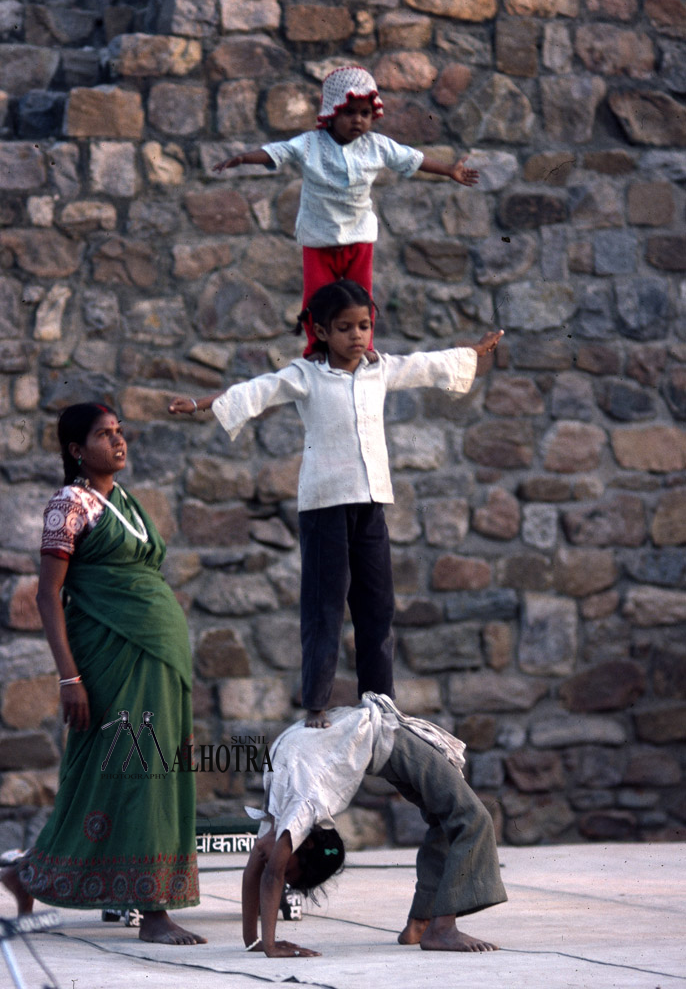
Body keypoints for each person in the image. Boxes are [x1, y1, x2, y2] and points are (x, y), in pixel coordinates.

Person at [169, 281, 503, 728]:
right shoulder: (306, 376)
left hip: (371, 504)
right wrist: (201, 404)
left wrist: (475, 353)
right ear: (322, 332)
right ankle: (317, 704)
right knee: (325, 606)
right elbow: (258, 390)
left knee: (378, 606)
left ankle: (380, 701)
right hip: (326, 507)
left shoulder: (379, 369)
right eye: (344, 328)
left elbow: (427, 365)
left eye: (364, 325)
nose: (356, 336)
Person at [0, 403, 206, 946]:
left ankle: (25, 874)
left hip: (157, 653)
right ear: (75, 450)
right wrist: (69, 678)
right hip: (108, 656)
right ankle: (153, 910)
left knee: (158, 768)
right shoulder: (69, 503)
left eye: (120, 432)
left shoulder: (128, 505)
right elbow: (47, 595)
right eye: (104, 435)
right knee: (130, 769)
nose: (119, 442)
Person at [212, 65, 479, 356]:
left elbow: (411, 159)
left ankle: (366, 346)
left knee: (362, 296)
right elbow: (279, 151)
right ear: (331, 112)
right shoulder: (310, 144)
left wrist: (449, 170)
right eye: (349, 113)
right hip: (319, 239)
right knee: (316, 297)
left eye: (365, 114)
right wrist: (243, 158)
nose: (358, 121)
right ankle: (316, 347)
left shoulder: (377, 146)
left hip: (359, 237)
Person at [241, 693, 507, 958]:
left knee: (471, 818)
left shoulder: (298, 808)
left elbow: (270, 875)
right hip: (383, 746)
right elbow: (259, 874)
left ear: (306, 842)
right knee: (461, 816)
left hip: (389, 737)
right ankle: (439, 927)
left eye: (288, 866)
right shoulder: (278, 817)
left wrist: (270, 945)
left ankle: (424, 923)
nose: (275, 860)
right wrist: (256, 942)